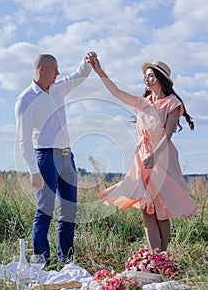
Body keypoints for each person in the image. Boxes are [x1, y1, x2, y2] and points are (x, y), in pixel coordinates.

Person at [87, 53, 198, 251]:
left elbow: (168, 134)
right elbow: (116, 92)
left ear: (160, 79)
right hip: (143, 156)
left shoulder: (171, 103)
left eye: (150, 76)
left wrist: (155, 156)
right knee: (147, 210)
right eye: (145, 76)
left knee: (161, 210)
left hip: (162, 157)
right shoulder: (142, 102)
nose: (146, 79)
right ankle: (154, 257)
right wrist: (98, 70)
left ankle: (163, 257)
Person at [15, 52, 95, 264]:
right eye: (55, 69)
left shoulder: (58, 89)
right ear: (42, 69)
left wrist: (86, 61)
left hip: (67, 156)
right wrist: (33, 170)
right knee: (45, 210)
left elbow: (78, 75)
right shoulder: (25, 100)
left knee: (69, 210)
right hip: (45, 157)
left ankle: (66, 259)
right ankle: (41, 259)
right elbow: (23, 140)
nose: (58, 73)